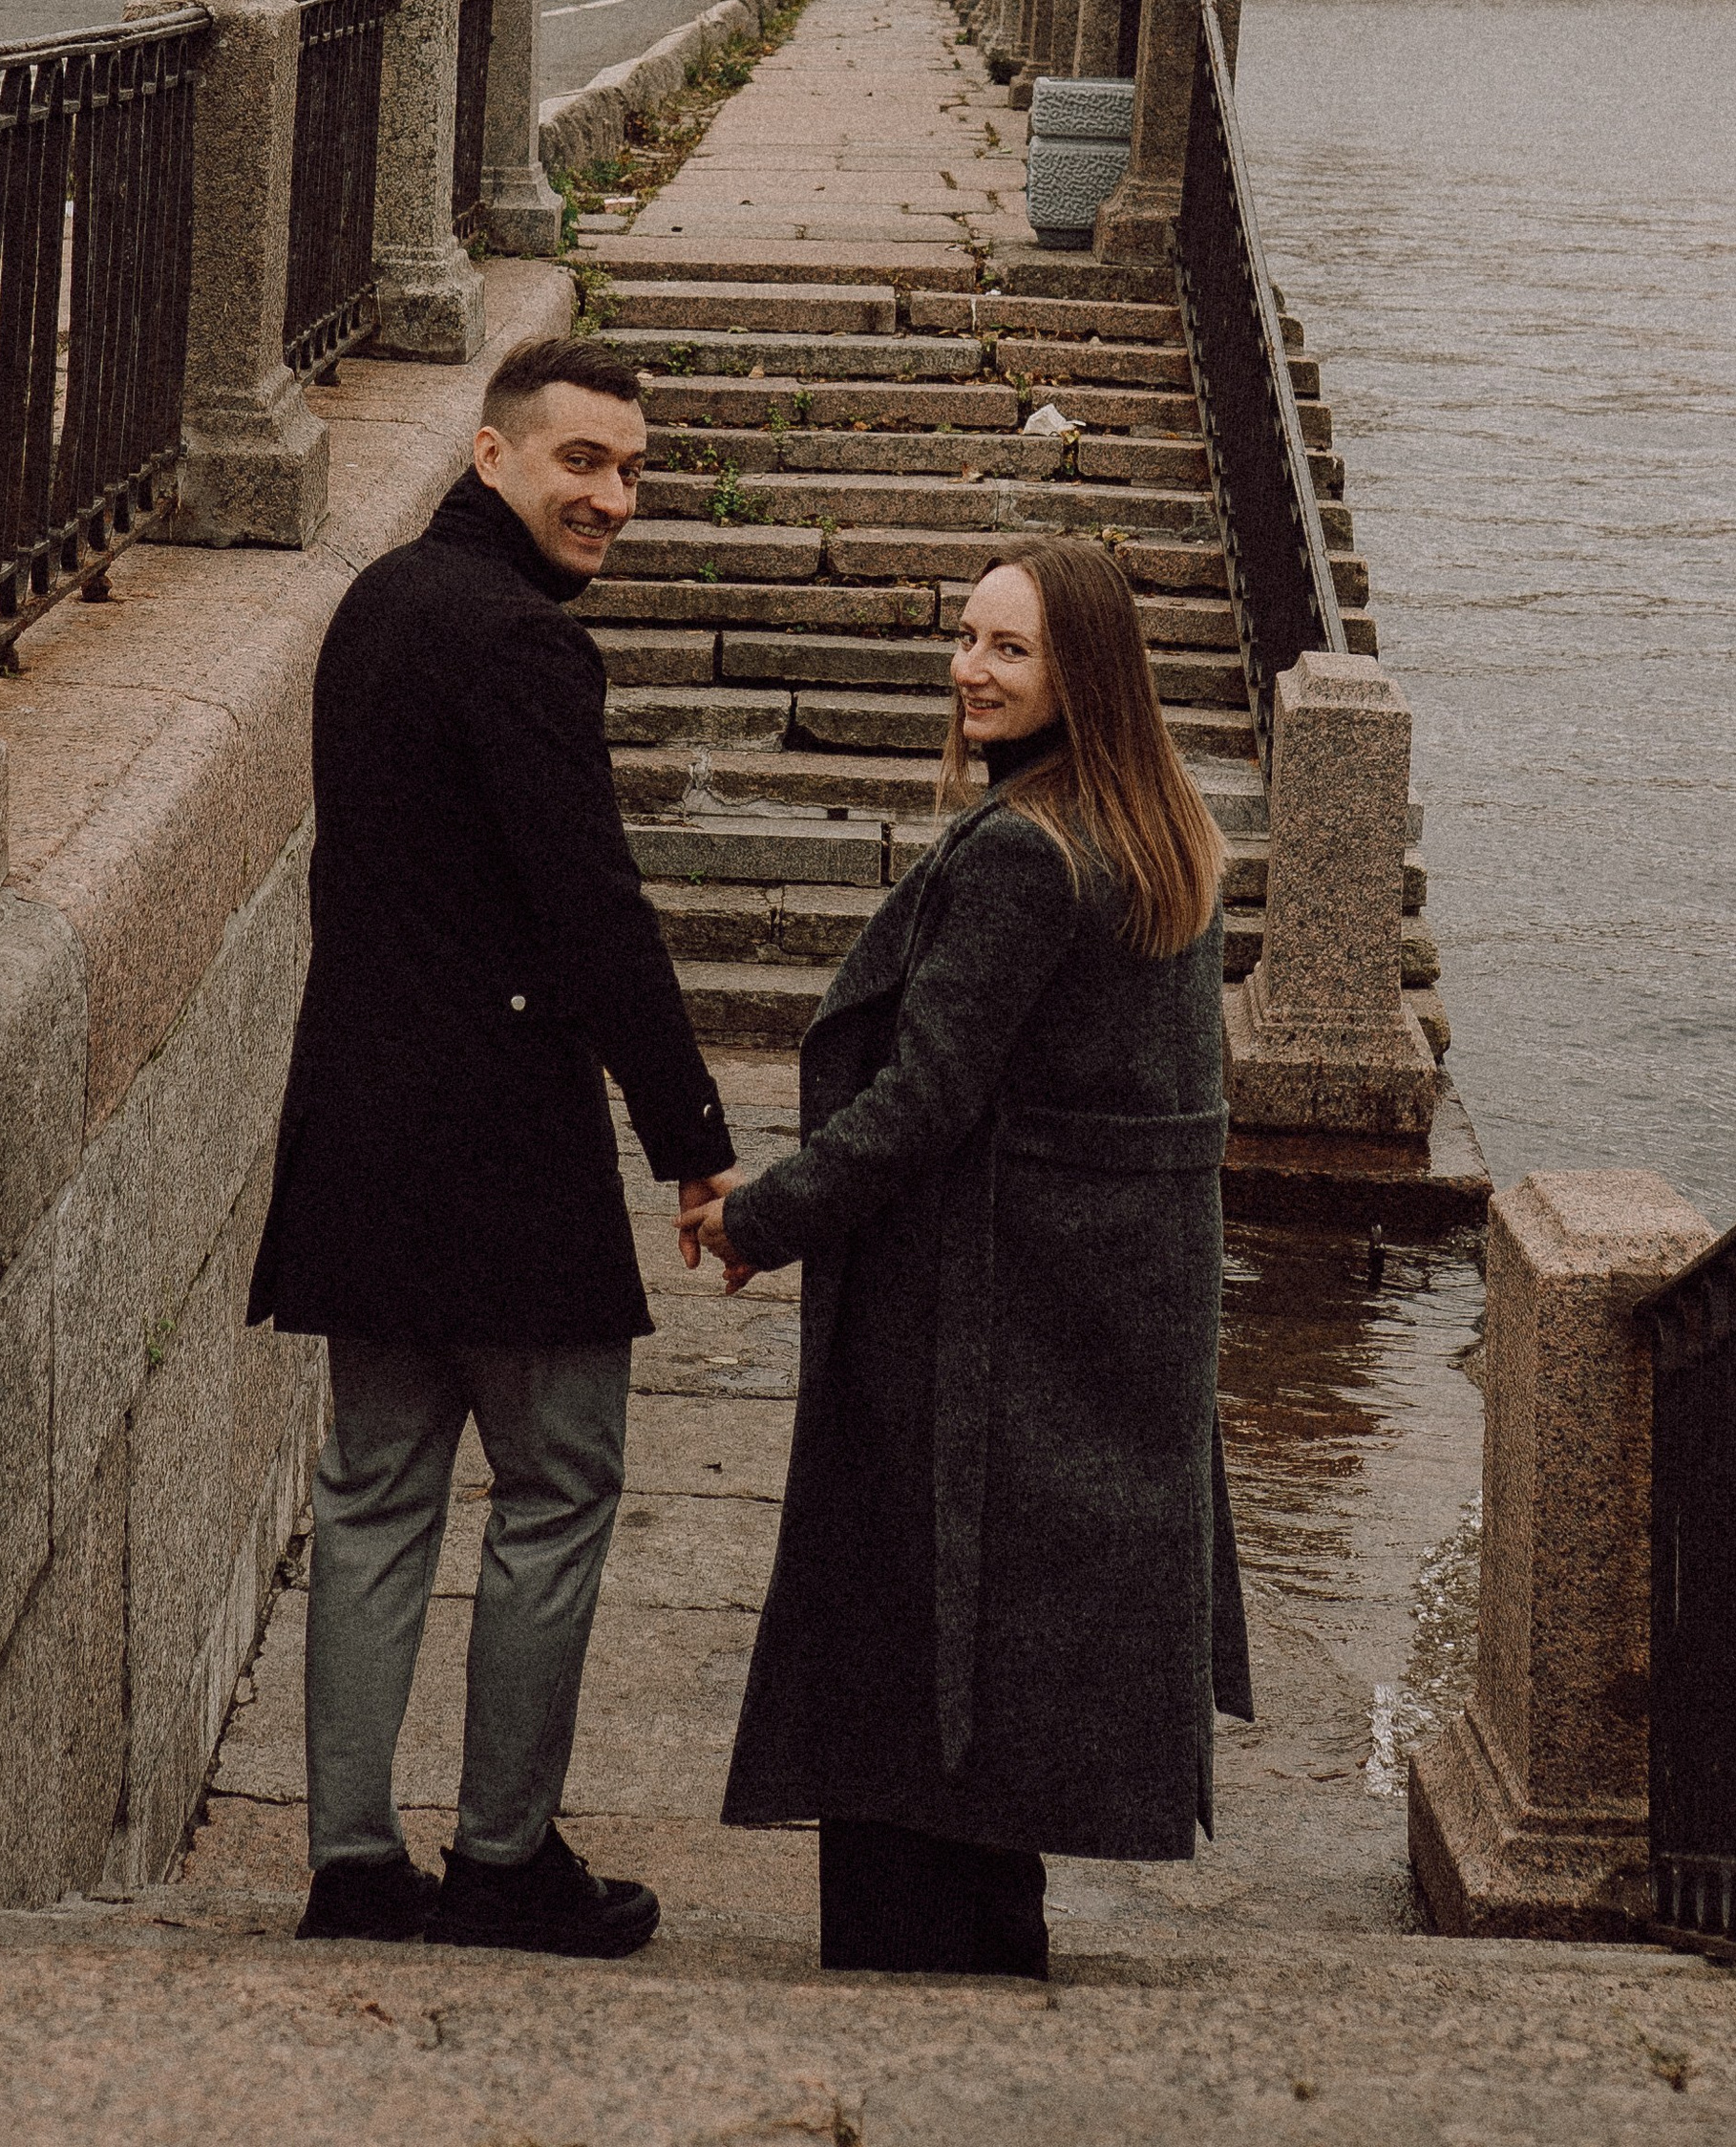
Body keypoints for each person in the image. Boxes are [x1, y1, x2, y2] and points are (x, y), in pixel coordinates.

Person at [689, 535, 1251, 1979]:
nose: (970, 672)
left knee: (906, 1672)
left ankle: (912, 1994)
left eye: (1010, 649)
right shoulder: (1161, 831)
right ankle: (994, 1961)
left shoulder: (1020, 854)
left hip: (971, 1321)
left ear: (1085, 675)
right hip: (1083, 1326)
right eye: (966, 638)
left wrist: (760, 1217)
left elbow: (922, 1103)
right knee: (997, 1699)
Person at [246, 334, 740, 1955]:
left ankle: (351, 1863)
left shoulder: (377, 604)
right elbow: (593, 910)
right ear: (491, 454)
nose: (614, 498)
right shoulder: (527, 644)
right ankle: (507, 1858)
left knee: (374, 1495)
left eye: (633, 471)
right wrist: (691, 1137)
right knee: (559, 1486)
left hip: (357, 1138)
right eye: (581, 462)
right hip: (501, 1157)